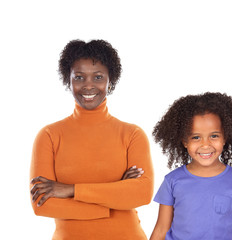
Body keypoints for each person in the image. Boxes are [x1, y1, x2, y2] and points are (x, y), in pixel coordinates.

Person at [30, 39, 153, 240]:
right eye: (79, 77)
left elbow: (142, 194)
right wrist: (113, 199)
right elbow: (42, 204)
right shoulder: (49, 136)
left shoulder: (132, 134)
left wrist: (70, 190)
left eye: (98, 77)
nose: (88, 86)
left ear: (110, 81)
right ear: (68, 80)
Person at [150, 92, 232, 240]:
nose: (205, 145)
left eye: (214, 136)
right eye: (196, 137)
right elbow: (161, 229)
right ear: (184, 141)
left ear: (225, 137)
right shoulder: (172, 181)